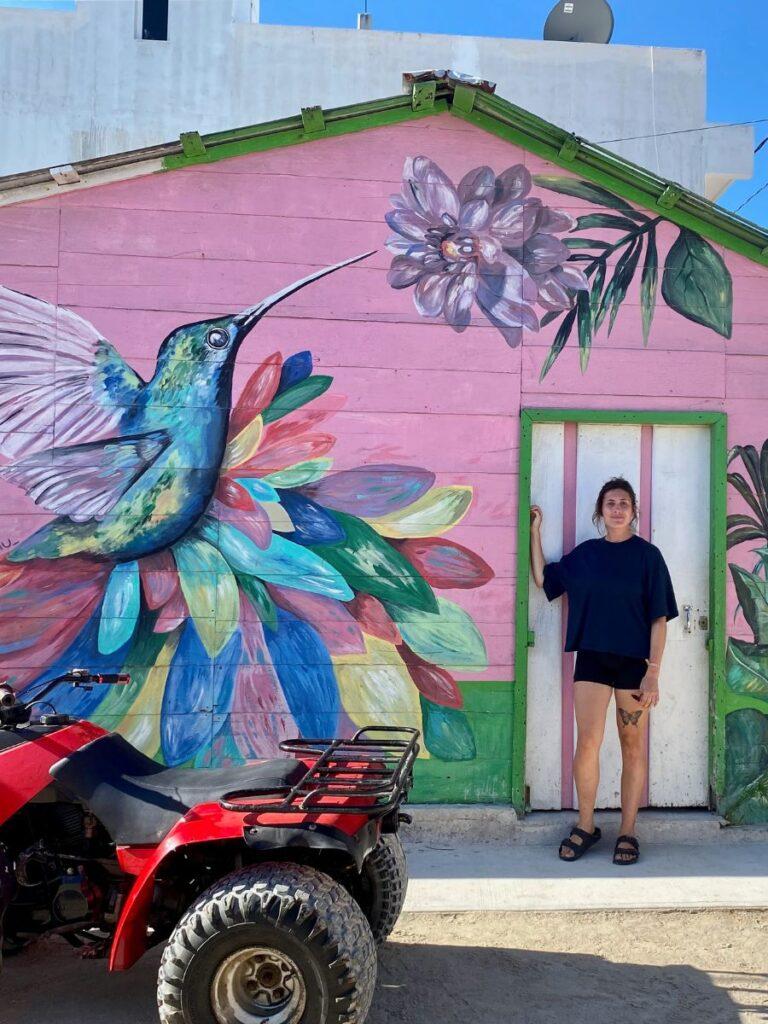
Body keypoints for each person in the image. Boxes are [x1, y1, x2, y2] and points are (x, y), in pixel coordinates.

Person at [529, 477, 678, 865]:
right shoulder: (586, 555)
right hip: (593, 659)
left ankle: (628, 831)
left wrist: (654, 673)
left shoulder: (648, 557)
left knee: (631, 745)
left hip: (634, 665)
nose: (617, 509)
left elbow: (659, 619)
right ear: (600, 511)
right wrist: (535, 532)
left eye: (624, 503)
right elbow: (545, 580)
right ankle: (585, 825)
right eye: (610, 503)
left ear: (634, 511)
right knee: (588, 743)